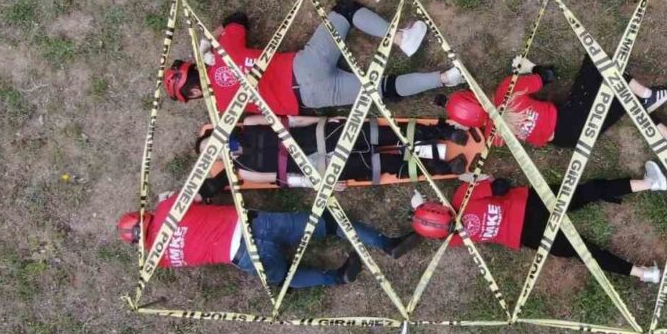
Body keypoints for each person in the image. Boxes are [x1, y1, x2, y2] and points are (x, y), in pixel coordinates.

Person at [165, 0, 464, 115]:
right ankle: (399, 38)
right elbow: (237, 16)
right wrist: (210, 40)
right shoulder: (223, 53)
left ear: (193, 92)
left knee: (382, 90)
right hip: (305, 66)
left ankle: (445, 78)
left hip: (311, 100)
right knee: (344, 10)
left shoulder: (221, 110)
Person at [411, 162, 667, 283]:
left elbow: (437, 232)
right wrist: (472, 178)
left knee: (586, 253)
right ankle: (651, 183)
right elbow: (492, 181)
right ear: (441, 206)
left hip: (528, 236)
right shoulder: (463, 196)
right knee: (587, 192)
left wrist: (418, 212)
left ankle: (645, 274)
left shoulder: (455, 240)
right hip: (532, 204)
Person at [118, 193, 420, 288]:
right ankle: (386, 243)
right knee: (330, 223)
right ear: (144, 216)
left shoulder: (161, 259)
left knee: (284, 277)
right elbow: (200, 194)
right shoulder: (168, 208)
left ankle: (337, 277)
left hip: (245, 257)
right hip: (257, 223)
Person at [443, 55, 667, 155]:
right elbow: (547, 77)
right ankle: (648, 95)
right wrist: (529, 67)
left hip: (567, 139)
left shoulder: (493, 136)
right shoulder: (506, 91)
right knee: (595, 64)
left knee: (621, 100)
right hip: (570, 117)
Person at [196, 115, 470, 197]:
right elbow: (287, 179)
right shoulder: (244, 171)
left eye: (214, 141)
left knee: (384, 136)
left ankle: (441, 131)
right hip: (319, 165)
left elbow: (291, 121)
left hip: (319, 135)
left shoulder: (251, 124)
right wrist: (321, 184)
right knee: (381, 163)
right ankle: (439, 166)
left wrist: (325, 120)